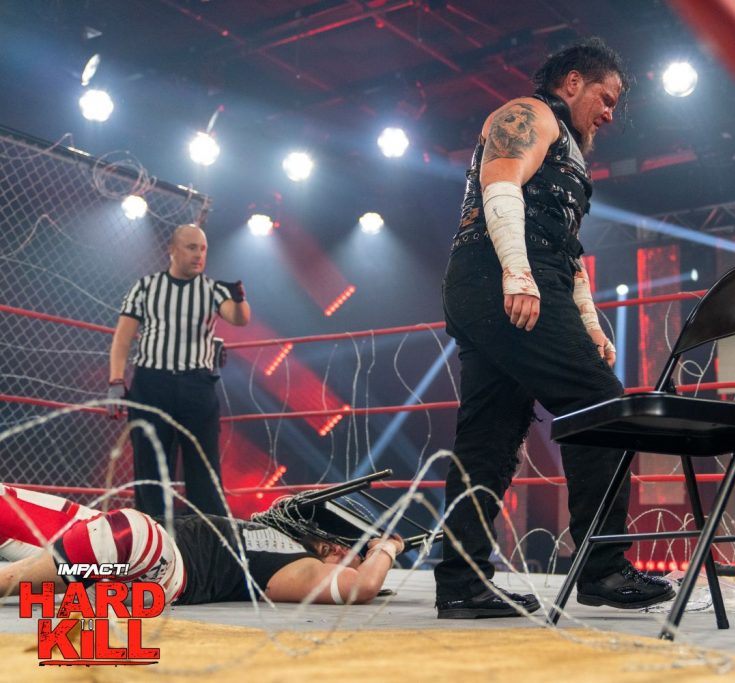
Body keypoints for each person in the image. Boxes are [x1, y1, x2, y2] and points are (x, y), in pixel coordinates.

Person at [435, 37, 675, 619]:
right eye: (605, 97)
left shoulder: (566, 148)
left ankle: (462, 583)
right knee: (601, 404)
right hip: (502, 275)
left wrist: (589, 322)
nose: (610, 113)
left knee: (490, 435)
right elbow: (499, 184)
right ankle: (601, 567)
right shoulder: (530, 114)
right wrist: (517, 274)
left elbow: (565, 248)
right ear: (572, 82)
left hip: (503, 279)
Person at [0, 484, 404, 606]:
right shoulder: (267, 530)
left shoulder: (301, 567)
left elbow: (362, 586)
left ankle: (7, 580)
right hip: (110, 545)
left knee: (128, 529)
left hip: (161, 567)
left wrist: (387, 548)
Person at [108, 223, 250, 520]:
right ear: (172, 250)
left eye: (203, 249)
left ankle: (210, 537)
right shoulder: (145, 287)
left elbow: (239, 319)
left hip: (197, 385)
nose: (199, 255)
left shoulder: (213, 289)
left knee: (204, 467)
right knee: (150, 466)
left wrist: (239, 299)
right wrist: (116, 380)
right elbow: (123, 337)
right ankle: (154, 536)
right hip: (152, 383)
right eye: (191, 247)